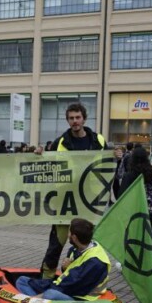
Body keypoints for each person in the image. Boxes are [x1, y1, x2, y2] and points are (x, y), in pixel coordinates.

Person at [35, 102, 108, 278]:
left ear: (84, 118)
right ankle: (47, 276)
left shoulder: (99, 140)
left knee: (83, 242)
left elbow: (108, 165)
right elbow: (48, 166)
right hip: (64, 200)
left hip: (88, 200)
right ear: (67, 120)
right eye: (71, 118)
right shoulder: (59, 142)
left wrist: (118, 155)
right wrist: (38, 154)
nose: (75, 121)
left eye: (78, 117)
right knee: (57, 242)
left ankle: (77, 276)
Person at [15, 218, 110, 301]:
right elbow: (69, 275)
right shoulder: (75, 249)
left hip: (81, 297)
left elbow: (74, 286)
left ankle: (35, 301)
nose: (67, 234)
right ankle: (39, 301)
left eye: (69, 232)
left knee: (50, 294)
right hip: (66, 286)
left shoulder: (95, 262)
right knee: (22, 280)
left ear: (74, 237)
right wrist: (65, 268)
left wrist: (45, 292)